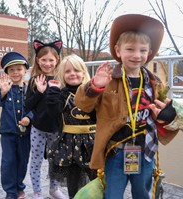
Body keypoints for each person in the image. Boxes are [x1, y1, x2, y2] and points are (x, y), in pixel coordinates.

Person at [74, 14, 179, 199]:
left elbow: (169, 120)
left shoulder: (155, 84)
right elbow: (82, 104)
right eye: (130, 49)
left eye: (142, 50)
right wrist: (95, 86)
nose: (137, 55)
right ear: (118, 50)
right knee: (113, 194)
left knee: (142, 194)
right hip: (116, 151)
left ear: (149, 52)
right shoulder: (108, 80)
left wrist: (168, 115)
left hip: (145, 152)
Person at [46, 54, 97, 199]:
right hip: (69, 145)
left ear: (83, 73)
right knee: (73, 182)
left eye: (76, 70)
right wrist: (53, 93)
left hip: (92, 143)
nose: (72, 74)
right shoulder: (61, 94)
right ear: (63, 75)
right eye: (68, 71)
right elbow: (53, 113)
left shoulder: (91, 93)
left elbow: (99, 115)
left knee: (96, 180)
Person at [25, 39, 66, 199]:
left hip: (56, 129)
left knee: (54, 161)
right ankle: (37, 192)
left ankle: (54, 189)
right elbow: (28, 105)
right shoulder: (34, 80)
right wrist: (39, 92)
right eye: (44, 60)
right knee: (35, 161)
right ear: (37, 60)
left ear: (57, 60)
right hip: (38, 129)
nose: (47, 63)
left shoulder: (61, 80)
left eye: (51, 60)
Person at [0, 52, 32, 199]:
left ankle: (19, 188)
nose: (15, 72)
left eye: (19, 69)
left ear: (25, 71)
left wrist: (29, 117)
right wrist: (3, 92)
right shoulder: (6, 88)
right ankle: (10, 191)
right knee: (8, 162)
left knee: (22, 161)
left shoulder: (29, 89)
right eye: (11, 70)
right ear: (7, 73)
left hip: (25, 134)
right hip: (8, 133)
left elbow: (34, 108)